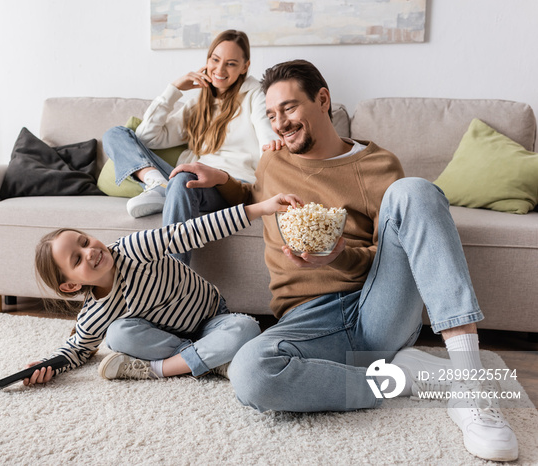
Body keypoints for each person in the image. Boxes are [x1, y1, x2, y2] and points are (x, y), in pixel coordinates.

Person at [169, 60, 519, 462]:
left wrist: (337, 257)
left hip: (377, 308)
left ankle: (471, 391)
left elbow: (391, 256)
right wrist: (223, 181)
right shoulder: (272, 161)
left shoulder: (378, 165)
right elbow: (253, 194)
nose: (279, 123)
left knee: (415, 191)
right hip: (307, 321)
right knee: (250, 373)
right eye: (271, 114)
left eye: (289, 108)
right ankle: (398, 377)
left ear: (323, 100)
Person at [21, 193, 300, 386]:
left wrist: (260, 208)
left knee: (245, 328)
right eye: (77, 259)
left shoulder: (133, 249)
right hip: (167, 341)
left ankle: (162, 369)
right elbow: (78, 350)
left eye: (84, 241)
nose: (90, 251)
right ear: (71, 285)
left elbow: (193, 231)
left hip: (212, 319)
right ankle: (208, 360)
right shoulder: (95, 315)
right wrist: (47, 366)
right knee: (117, 335)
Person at [102, 29, 278, 264]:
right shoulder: (198, 101)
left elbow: (267, 135)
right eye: (215, 60)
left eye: (231, 64)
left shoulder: (256, 95)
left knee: (184, 177)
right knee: (115, 134)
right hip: (184, 179)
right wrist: (174, 89)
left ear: (245, 67)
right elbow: (147, 137)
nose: (220, 70)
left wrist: (274, 145)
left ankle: (174, 277)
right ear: (207, 60)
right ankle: (158, 183)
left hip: (229, 184)